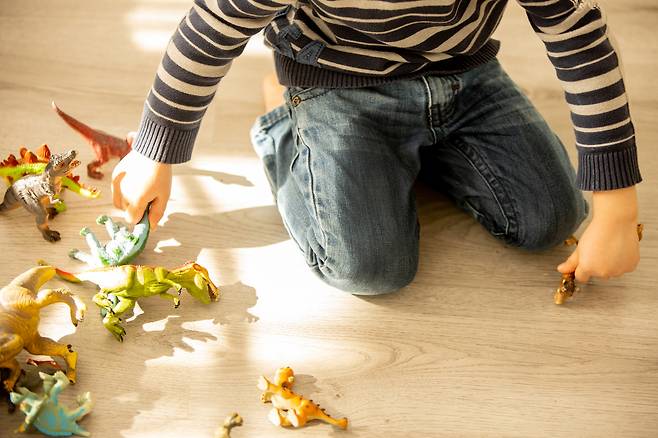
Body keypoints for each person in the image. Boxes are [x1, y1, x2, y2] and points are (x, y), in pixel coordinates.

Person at [111, 0, 641, 294]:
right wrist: (155, 152)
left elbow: (579, 37)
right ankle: (283, 122)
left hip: (465, 76)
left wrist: (617, 208)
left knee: (554, 217)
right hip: (338, 84)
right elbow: (211, 28)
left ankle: (413, 152)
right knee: (369, 269)